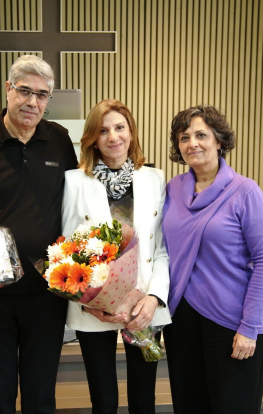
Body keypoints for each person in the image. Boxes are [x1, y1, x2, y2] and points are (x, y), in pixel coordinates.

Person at [0, 55, 78, 414]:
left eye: (42, 95)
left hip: (46, 293)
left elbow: (71, 203)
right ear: (8, 90)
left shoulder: (59, 139)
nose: (33, 102)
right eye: (25, 91)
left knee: (41, 395)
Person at [162, 105, 263, 414]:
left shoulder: (245, 192)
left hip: (231, 323)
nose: (192, 143)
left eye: (201, 135)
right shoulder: (173, 189)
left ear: (219, 141)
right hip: (181, 322)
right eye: (184, 137)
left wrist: (250, 326)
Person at [62, 99, 171, 414]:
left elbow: (162, 247)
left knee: (143, 399)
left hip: (143, 307)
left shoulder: (155, 179)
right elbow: (69, 248)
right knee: (104, 400)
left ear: (131, 132)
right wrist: (88, 301)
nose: (113, 137)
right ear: (93, 138)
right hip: (93, 309)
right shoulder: (74, 182)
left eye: (120, 128)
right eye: (103, 130)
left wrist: (153, 298)